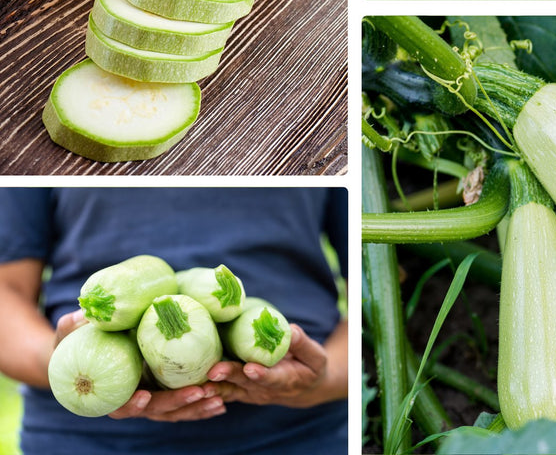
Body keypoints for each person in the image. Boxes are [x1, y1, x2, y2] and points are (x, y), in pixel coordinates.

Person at [0, 186, 348, 455]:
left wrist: (327, 378)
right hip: (82, 439)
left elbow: (379, 281)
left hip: (300, 435)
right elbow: (7, 289)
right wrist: (51, 358)